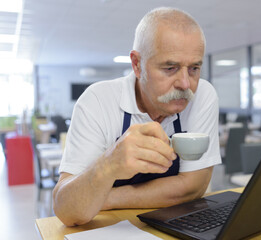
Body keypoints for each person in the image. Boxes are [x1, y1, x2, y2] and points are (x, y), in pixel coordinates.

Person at [53, 7, 222, 226]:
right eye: (170, 68)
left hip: (175, 225)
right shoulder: (97, 101)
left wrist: (104, 198)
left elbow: (193, 187)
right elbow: (67, 210)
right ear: (137, 65)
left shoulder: (203, 95)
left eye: (194, 68)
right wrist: (109, 164)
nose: (185, 84)